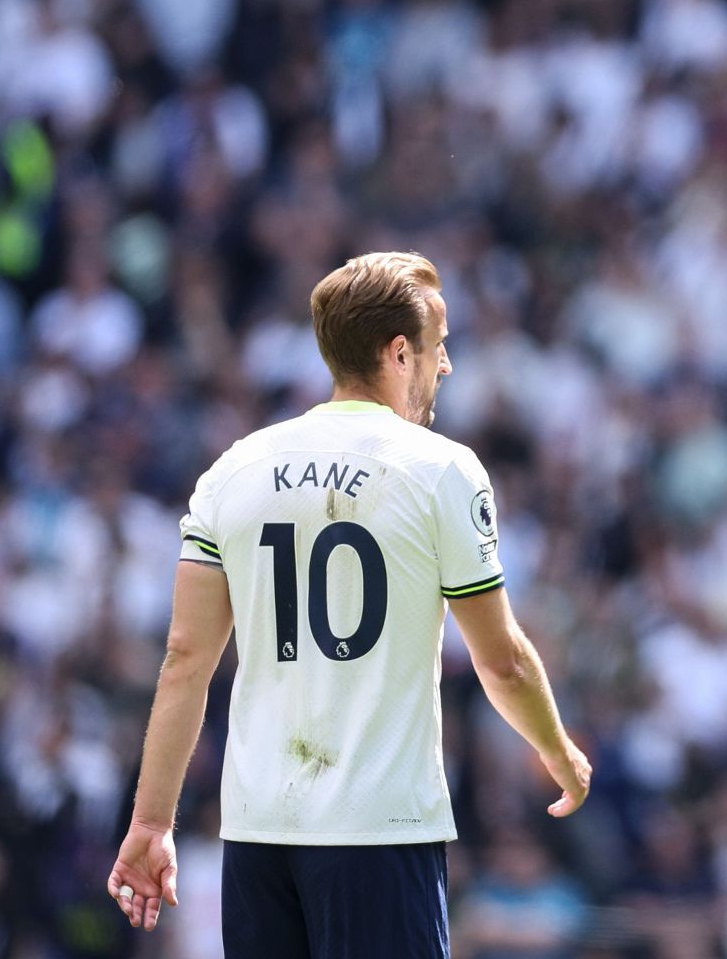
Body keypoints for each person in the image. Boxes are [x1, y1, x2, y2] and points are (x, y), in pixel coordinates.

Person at [104, 251, 591, 957]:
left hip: (259, 834)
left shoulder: (234, 468)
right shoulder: (440, 470)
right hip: (378, 830)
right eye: (439, 347)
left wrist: (151, 823)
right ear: (399, 353)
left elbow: (185, 660)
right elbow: (503, 662)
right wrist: (557, 748)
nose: (445, 366)